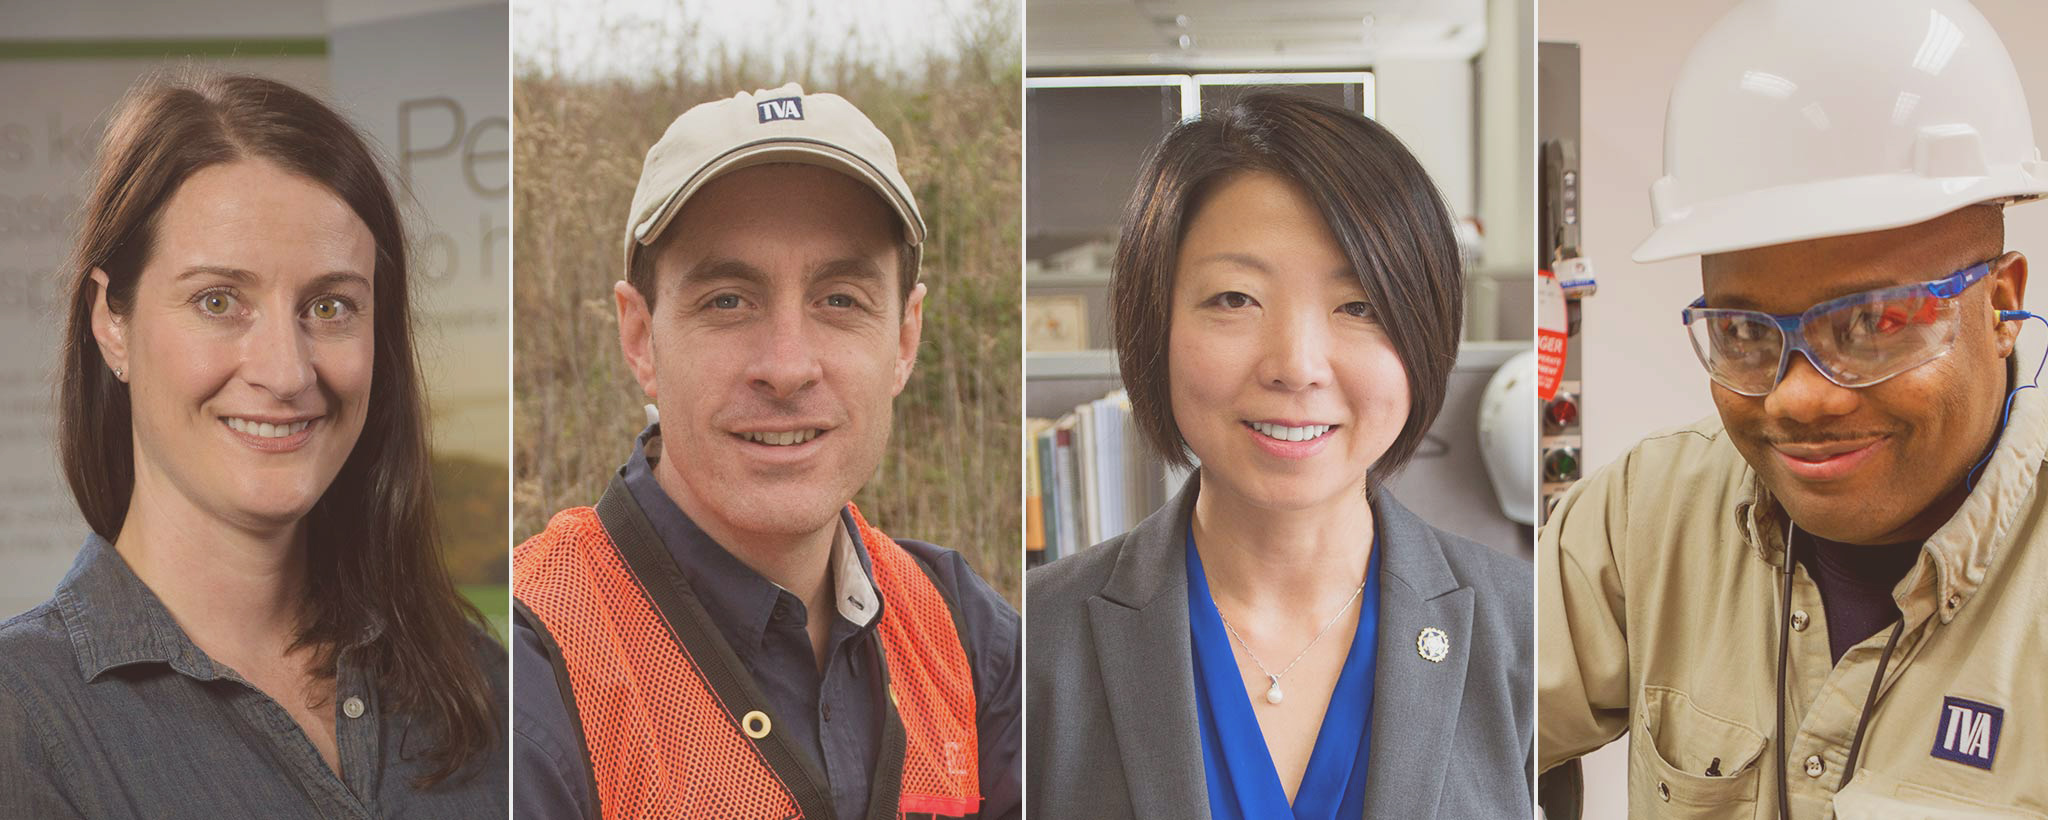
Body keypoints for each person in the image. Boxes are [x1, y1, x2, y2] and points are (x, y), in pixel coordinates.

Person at [1538, 0, 2048, 815]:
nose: (1798, 394)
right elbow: (1452, 723)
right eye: (1743, 330)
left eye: (1876, 323)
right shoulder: (1647, 513)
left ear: (2001, 304)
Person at [0, 73, 505, 817]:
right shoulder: (24, 722)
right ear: (112, 321)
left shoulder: (481, 680)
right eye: (217, 301)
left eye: (329, 306)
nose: (286, 371)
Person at [511, 83, 1021, 820]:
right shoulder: (533, 667)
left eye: (839, 299)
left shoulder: (964, 634)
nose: (786, 366)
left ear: (905, 339)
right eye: (728, 300)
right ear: (638, 338)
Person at [1025, 91, 1533, 819]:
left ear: (1424, 334)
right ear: (1154, 326)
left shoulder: (1520, 633)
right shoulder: (1040, 643)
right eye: (1235, 298)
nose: (1296, 366)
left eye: (1360, 306)